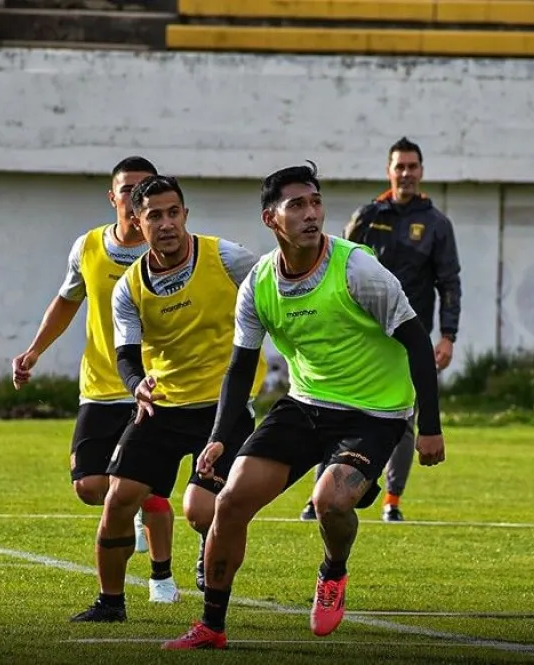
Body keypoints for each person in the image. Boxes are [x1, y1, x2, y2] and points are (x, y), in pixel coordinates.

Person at [161, 162, 445, 650]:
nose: (311, 213)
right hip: (306, 404)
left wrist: (431, 428)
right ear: (272, 219)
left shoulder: (358, 269)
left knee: (330, 502)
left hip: (374, 413)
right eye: (297, 205)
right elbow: (238, 368)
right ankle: (211, 626)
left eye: (315, 202)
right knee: (228, 502)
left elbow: (419, 344)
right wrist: (218, 438)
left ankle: (333, 572)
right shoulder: (258, 284)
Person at [83, 174, 267, 623]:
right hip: (162, 406)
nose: (166, 224)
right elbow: (126, 353)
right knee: (118, 499)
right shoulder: (130, 285)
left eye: (173, 213)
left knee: (201, 510)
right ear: (136, 221)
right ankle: (110, 603)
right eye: (153, 216)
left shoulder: (227, 258)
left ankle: (211, 547)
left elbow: (273, 293)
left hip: (223, 406)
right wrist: (135, 385)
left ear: (185, 214)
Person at [10, 156, 181, 615]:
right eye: (128, 189)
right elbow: (67, 302)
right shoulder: (88, 246)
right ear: (113, 198)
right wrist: (34, 351)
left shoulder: (167, 253)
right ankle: (139, 506)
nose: (136, 197)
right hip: (100, 388)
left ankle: (160, 576)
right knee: (89, 485)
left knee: (147, 487)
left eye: (146, 188)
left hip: (152, 388)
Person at [299, 136, 461, 523]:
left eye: (412, 167)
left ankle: (392, 499)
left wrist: (447, 335)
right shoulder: (368, 215)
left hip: (408, 337)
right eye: (399, 167)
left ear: (421, 171)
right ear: (389, 171)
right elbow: (331, 265)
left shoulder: (437, 224)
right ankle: (321, 491)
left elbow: (449, 282)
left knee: (403, 417)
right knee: (336, 408)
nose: (406, 174)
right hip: (360, 338)